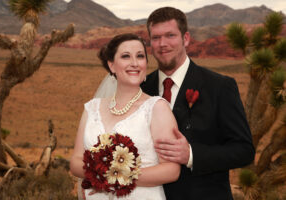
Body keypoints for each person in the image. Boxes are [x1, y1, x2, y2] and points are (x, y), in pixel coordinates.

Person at [140, 7, 255, 200]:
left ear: (186, 39)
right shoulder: (141, 88)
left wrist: (192, 155)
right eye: (156, 38)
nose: (162, 44)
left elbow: (244, 151)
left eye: (170, 35)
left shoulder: (219, 86)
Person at [70, 33, 181, 200]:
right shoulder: (92, 109)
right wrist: (103, 172)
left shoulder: (157, 108)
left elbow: (171, 170)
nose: (134, 63)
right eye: (126, 56)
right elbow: (76, 161)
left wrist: (117, 177)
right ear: (112, 65)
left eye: (140, 56)